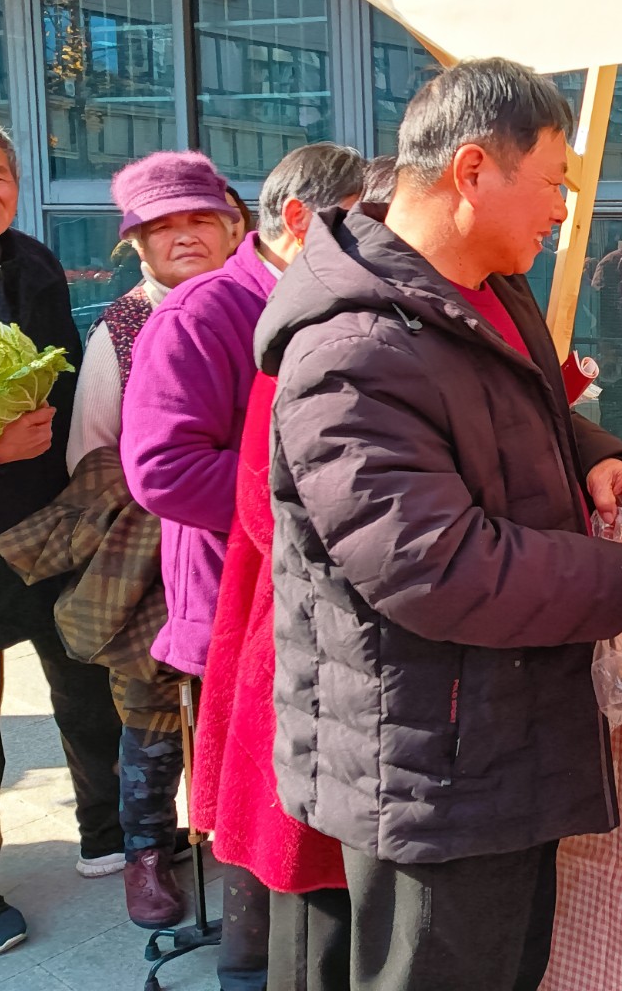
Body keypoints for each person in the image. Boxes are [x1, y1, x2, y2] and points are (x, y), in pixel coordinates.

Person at [256, 58, 622, 991]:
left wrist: (595, 452)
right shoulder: (351, 349)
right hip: (428, 761)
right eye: (554, 182)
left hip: (494, 734)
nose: (562, 209)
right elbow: (435, 567)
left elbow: (519, 407)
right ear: (473, 170)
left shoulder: (488, 285)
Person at [121, 142, 365, 988]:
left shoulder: (321, 299)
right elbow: (160, 469)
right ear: (300, 223)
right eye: (363, 224)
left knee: (290, 802)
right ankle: (248, 968)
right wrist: (311, 489)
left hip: (297, 596)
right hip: (233, 596)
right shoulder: (206, 311)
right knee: (256, 802)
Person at [0, 113, 123, 957]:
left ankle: (113, 831)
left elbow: (71, 382)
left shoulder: (34, 263)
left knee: (88, 680)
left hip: (47, 521)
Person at [60, 152, 239, 927]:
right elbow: (91, 456)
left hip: (247, 544)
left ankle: (234, 830)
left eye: (200, 218)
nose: (185, 236)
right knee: (152, 705)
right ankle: (145, 853)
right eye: (163, 226)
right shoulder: (123, 326)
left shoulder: (264, 302)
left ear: (232, 224)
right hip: (151, 547)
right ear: (136, 243)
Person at [192, 370, 350, 991]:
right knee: (301, 880)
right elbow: (170, 469)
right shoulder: (315, 338)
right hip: (306, 625)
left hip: (315, 623)